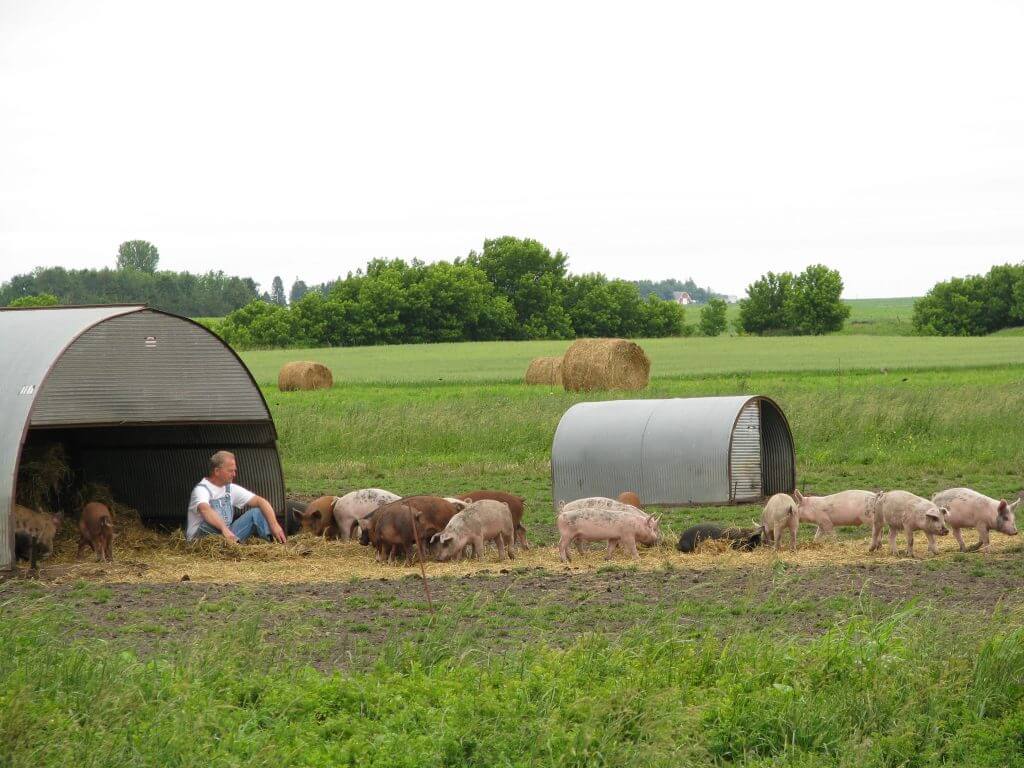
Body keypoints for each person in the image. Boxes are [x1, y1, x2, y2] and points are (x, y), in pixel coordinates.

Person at [186, 450, 286, 543]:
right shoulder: (201, 490)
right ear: (217, 471)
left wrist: (274, 525)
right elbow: (205, 510)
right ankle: (230, 544)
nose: (234, 474)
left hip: (226, 537)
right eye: (230, 471)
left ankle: (275, 544)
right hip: (200, 541)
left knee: (257, 512)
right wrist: (224, 529)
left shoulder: (230, 489)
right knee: (209, 523)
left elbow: (260, 501)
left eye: (235, 471)